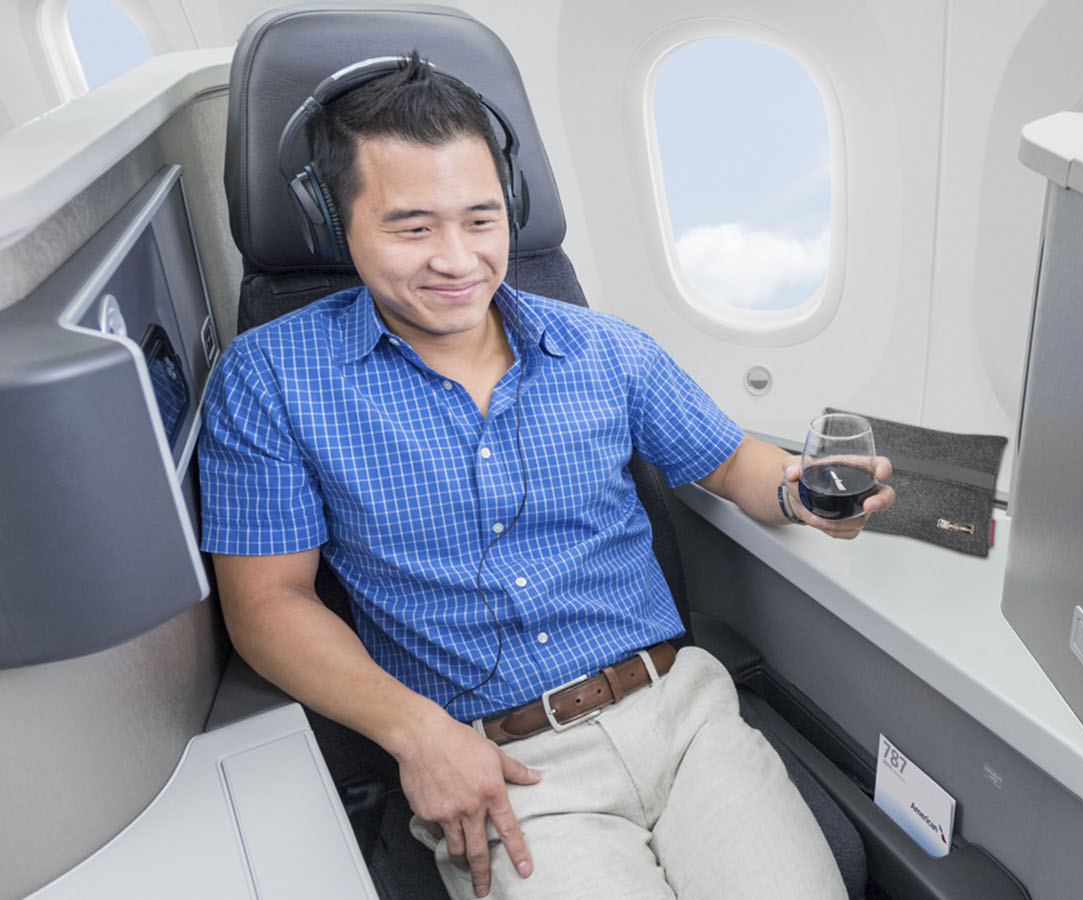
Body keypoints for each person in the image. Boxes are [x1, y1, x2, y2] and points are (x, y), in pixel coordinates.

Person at [199, 53, 894, 900]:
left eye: (481, 220)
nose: (458, 260)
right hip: (502, 760)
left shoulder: (606, 348)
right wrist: (419, 736)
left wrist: (803, 490)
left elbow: (732, 462)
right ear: (331, 221)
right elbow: (267, 605)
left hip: (682, 717)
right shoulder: (269, 378)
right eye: (413, 228)